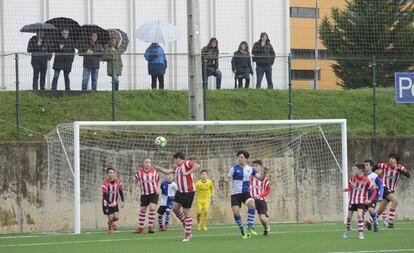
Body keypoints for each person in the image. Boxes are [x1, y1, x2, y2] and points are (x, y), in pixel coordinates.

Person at [155, 152, 201, 242]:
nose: (174, 161)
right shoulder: (176, 167)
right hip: (180, 191)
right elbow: (168, 171)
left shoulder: (187, 163)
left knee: (186, 212)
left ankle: (188, 234)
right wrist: (159, 168)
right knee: (175, 208)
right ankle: (184, 222)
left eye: (175, 159)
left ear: (179, 158)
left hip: (188, 191)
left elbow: (197, 166)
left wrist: (188, 172)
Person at [225, 150, 261, 240]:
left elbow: (260, 178)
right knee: (236, 212)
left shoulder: (251, 169)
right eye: (239, 157)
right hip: (235, 194)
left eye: (241, 157)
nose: (239, 159)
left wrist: (264, 173)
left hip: (245, 193)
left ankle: (250, 225)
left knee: (252, 204)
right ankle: (242, 229)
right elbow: (227, 178)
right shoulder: (233, 168)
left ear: (246, 159)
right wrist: (227, 180)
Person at [374, 153, 410, 228]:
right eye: (390, 158)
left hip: (391, 190)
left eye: (392, 158)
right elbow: (374, 167)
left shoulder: (400, 167)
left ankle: (369, 222)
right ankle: (390, 222)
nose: (390, 159)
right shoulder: (384, 165)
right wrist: (376, 173)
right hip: (384, 187)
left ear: (396, 160)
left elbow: (408, 175)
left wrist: (398, 170)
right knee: (395, 201)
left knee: (380, 209)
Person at [343, 164, 377, 240]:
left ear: (360, 170)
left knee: (359, 216)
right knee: (348, 217)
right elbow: (350, 187)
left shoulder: (366, 180)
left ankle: (361, 233)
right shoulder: (352, 178)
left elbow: (374, 190)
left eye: (355, 170)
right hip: (352, 201)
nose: (353, 171)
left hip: (361, 201)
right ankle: (348, 230)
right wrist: (347, 189)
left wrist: (370, 200)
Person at [133, 158, 160, 234]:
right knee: (143, 210)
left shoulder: (154, 172)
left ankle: (150, 227)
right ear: (143, 163)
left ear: (151, 163)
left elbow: (158, 180)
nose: (147, 164)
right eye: (146, 162)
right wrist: (134, 190)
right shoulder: (139, 172)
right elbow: (134, 181)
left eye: (149, 162)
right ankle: (140, 228)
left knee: (152, 207)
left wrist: (158, 189)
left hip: (153, 193)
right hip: (144, 194)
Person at [101, 167, 124, 234]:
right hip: (106, 203)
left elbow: (120, 192)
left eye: (113, 173)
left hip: (114, 202)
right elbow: (104, 195)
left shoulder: (117, 181)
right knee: (111, 218)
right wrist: (110, 203)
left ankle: (110, 222)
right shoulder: (104, 183)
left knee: (116, 217)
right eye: (110, 173)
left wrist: (122, 201)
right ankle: (109, 228)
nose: (112, 174)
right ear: (107, 174)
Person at [363, 159, 384, 232]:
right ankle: (366, 224)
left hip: (373, 195)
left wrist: (380, 196)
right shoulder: (362, 175)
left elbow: (381, 186)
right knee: (360, 211)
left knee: (371, 209)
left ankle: (375, 222)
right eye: (364, 165)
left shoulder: (375, 176)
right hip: (364, 196)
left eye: (367, 165)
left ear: (371, 166)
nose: (365, 166)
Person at [251, 160, 271, 236]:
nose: (254, 167)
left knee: (262, 218)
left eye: (256, 166)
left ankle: (266, 227)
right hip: (251, 200)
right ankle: (249, 228)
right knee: (250, 211)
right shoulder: (250, 176)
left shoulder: (264, 178)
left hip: (261, 200)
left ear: (260, 167)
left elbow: (268, 190)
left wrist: (260, 195)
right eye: (253, 166)